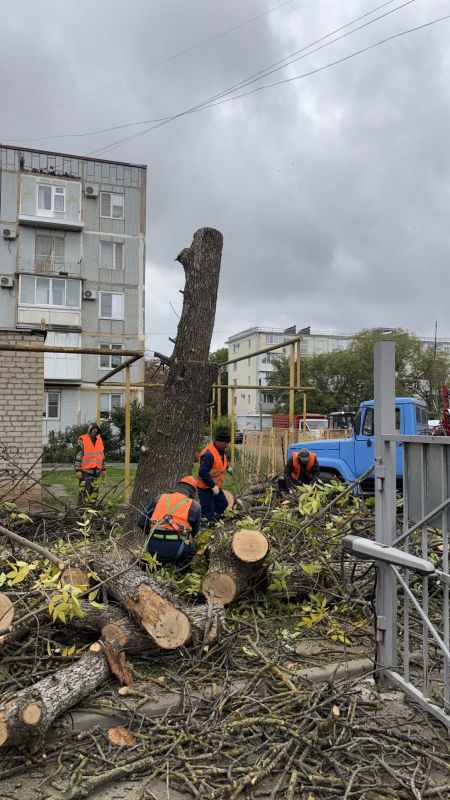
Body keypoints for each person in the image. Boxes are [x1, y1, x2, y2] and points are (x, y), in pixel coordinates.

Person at [138, 476, 201, 566]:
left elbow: (141, 522)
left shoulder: (159, 498)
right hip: (176, 551)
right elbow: (193, 533)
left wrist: (152, 534)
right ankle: (179, 571)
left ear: (178, 487)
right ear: (192, 492)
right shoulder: (194, 505)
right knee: (194, 546)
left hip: (152, 550)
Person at [196, 428, 233, 521]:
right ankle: (205, 524)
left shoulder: (220, 450)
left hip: (215, 486)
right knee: (207, 514)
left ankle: (213, 516)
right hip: (205, 488)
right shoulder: (208, 454)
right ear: (218, 442)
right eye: (226, 443)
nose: (227, 445)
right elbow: (203, 472)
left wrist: (227, 467)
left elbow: (219, 462)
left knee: (223, 504)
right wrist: (212, 486)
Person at [74, 423, 105, 506]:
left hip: (97, 471)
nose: (95, 430)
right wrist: (78, 470)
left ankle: (92, 509)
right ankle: (81, 509)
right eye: (93, 428)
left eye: (96, 429)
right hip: (85, 471)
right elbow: (78, 455)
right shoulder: (82, 439)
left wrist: (103, 468)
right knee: (84, 491)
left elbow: (101, 455)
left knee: (94, 492)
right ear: (89, 429)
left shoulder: (99, 440)